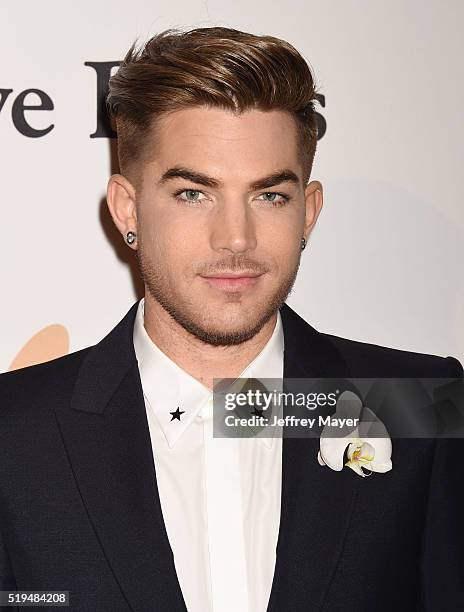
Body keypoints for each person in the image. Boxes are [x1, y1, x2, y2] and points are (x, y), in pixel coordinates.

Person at [0, 27, 462, 612]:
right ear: (127, 209)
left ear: (308, 213)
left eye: (270, 196)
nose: (236, 239)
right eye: (194, 193)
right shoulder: (14, 431)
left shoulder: (421, 403)